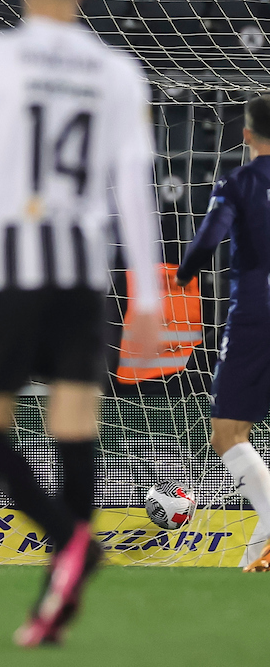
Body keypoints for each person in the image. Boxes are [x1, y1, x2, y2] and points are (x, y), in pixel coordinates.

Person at [0, 0, 162, 646]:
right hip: (81, 273)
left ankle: (69, 545)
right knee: (74, 428)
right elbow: (134, 190)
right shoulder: (118, 73)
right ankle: (58, 595)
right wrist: (148, 294)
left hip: (8, 264)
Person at [176, 94, 270, 573]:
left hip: (256, 314)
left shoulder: (239, 182)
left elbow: (208, 240)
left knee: (228, 434)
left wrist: (182, 275)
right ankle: (258, 556)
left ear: (247, 134)